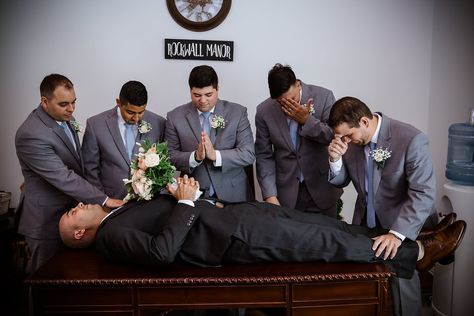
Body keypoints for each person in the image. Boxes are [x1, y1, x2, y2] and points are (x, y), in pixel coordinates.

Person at [59, 175, 465, 284]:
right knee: (323, 242)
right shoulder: (110, 238)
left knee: (326, 224)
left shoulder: (117, 213)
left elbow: (166, 217)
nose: (76, 207)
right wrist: (183, 203)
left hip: (236, 213)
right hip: (233, 239)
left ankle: (413, 239)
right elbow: (161, 253)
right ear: (81, 235)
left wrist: (183, 195)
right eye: (71, 216)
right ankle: (421, 255)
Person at [327, 96, 440, 315]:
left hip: (402, 223)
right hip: (365, 221)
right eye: (340, 137)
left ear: (365, 122)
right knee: (368, 285)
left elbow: (423, 193)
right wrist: (335, 160)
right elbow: (342, 180)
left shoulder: (411, 139)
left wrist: (397, 234)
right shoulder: (349, 142)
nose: (345, 142)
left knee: (402, 282)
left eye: (348, 135)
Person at [15, 74, 124, 273]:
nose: (72, 109)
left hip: (72, 217)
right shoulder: (31, 134)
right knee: (43, 284)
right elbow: (63, 176)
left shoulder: (65, 117)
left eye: (74, 102)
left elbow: (75, 161)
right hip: (45, 222)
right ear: (44, 102)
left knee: (69, 283)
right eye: (64, 104)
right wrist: (103, 199)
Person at [255, 63, 342, 217]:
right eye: (281, 102)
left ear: (298, 84)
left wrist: (306, 120)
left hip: (322, 188)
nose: (288, 105)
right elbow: (264, 155)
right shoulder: (264, 111)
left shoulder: (324, 97)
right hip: (286, 192)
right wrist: (270, 195)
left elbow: (334, 137)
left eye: (292, 99)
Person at [165, 65, 255, 202]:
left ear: (217, 89)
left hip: (234, 195)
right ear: (190, 91)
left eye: (208, 95)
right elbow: (169, 156)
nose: (202, 101)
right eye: (197, 95)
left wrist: (215, 155)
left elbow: (248, 154)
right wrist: (194, 157)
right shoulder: (175, 117)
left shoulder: (237, 113)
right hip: (193, 195)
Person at [81, 80, 166, 199]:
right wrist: (102, 201)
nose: (136, 118)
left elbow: (163, 163)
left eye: (141, 112)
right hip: (111, 200)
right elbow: (90, 170)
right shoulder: (95, 125)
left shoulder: (159, 123)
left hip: (148, 203)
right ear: (118, 103)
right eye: (130, 112)